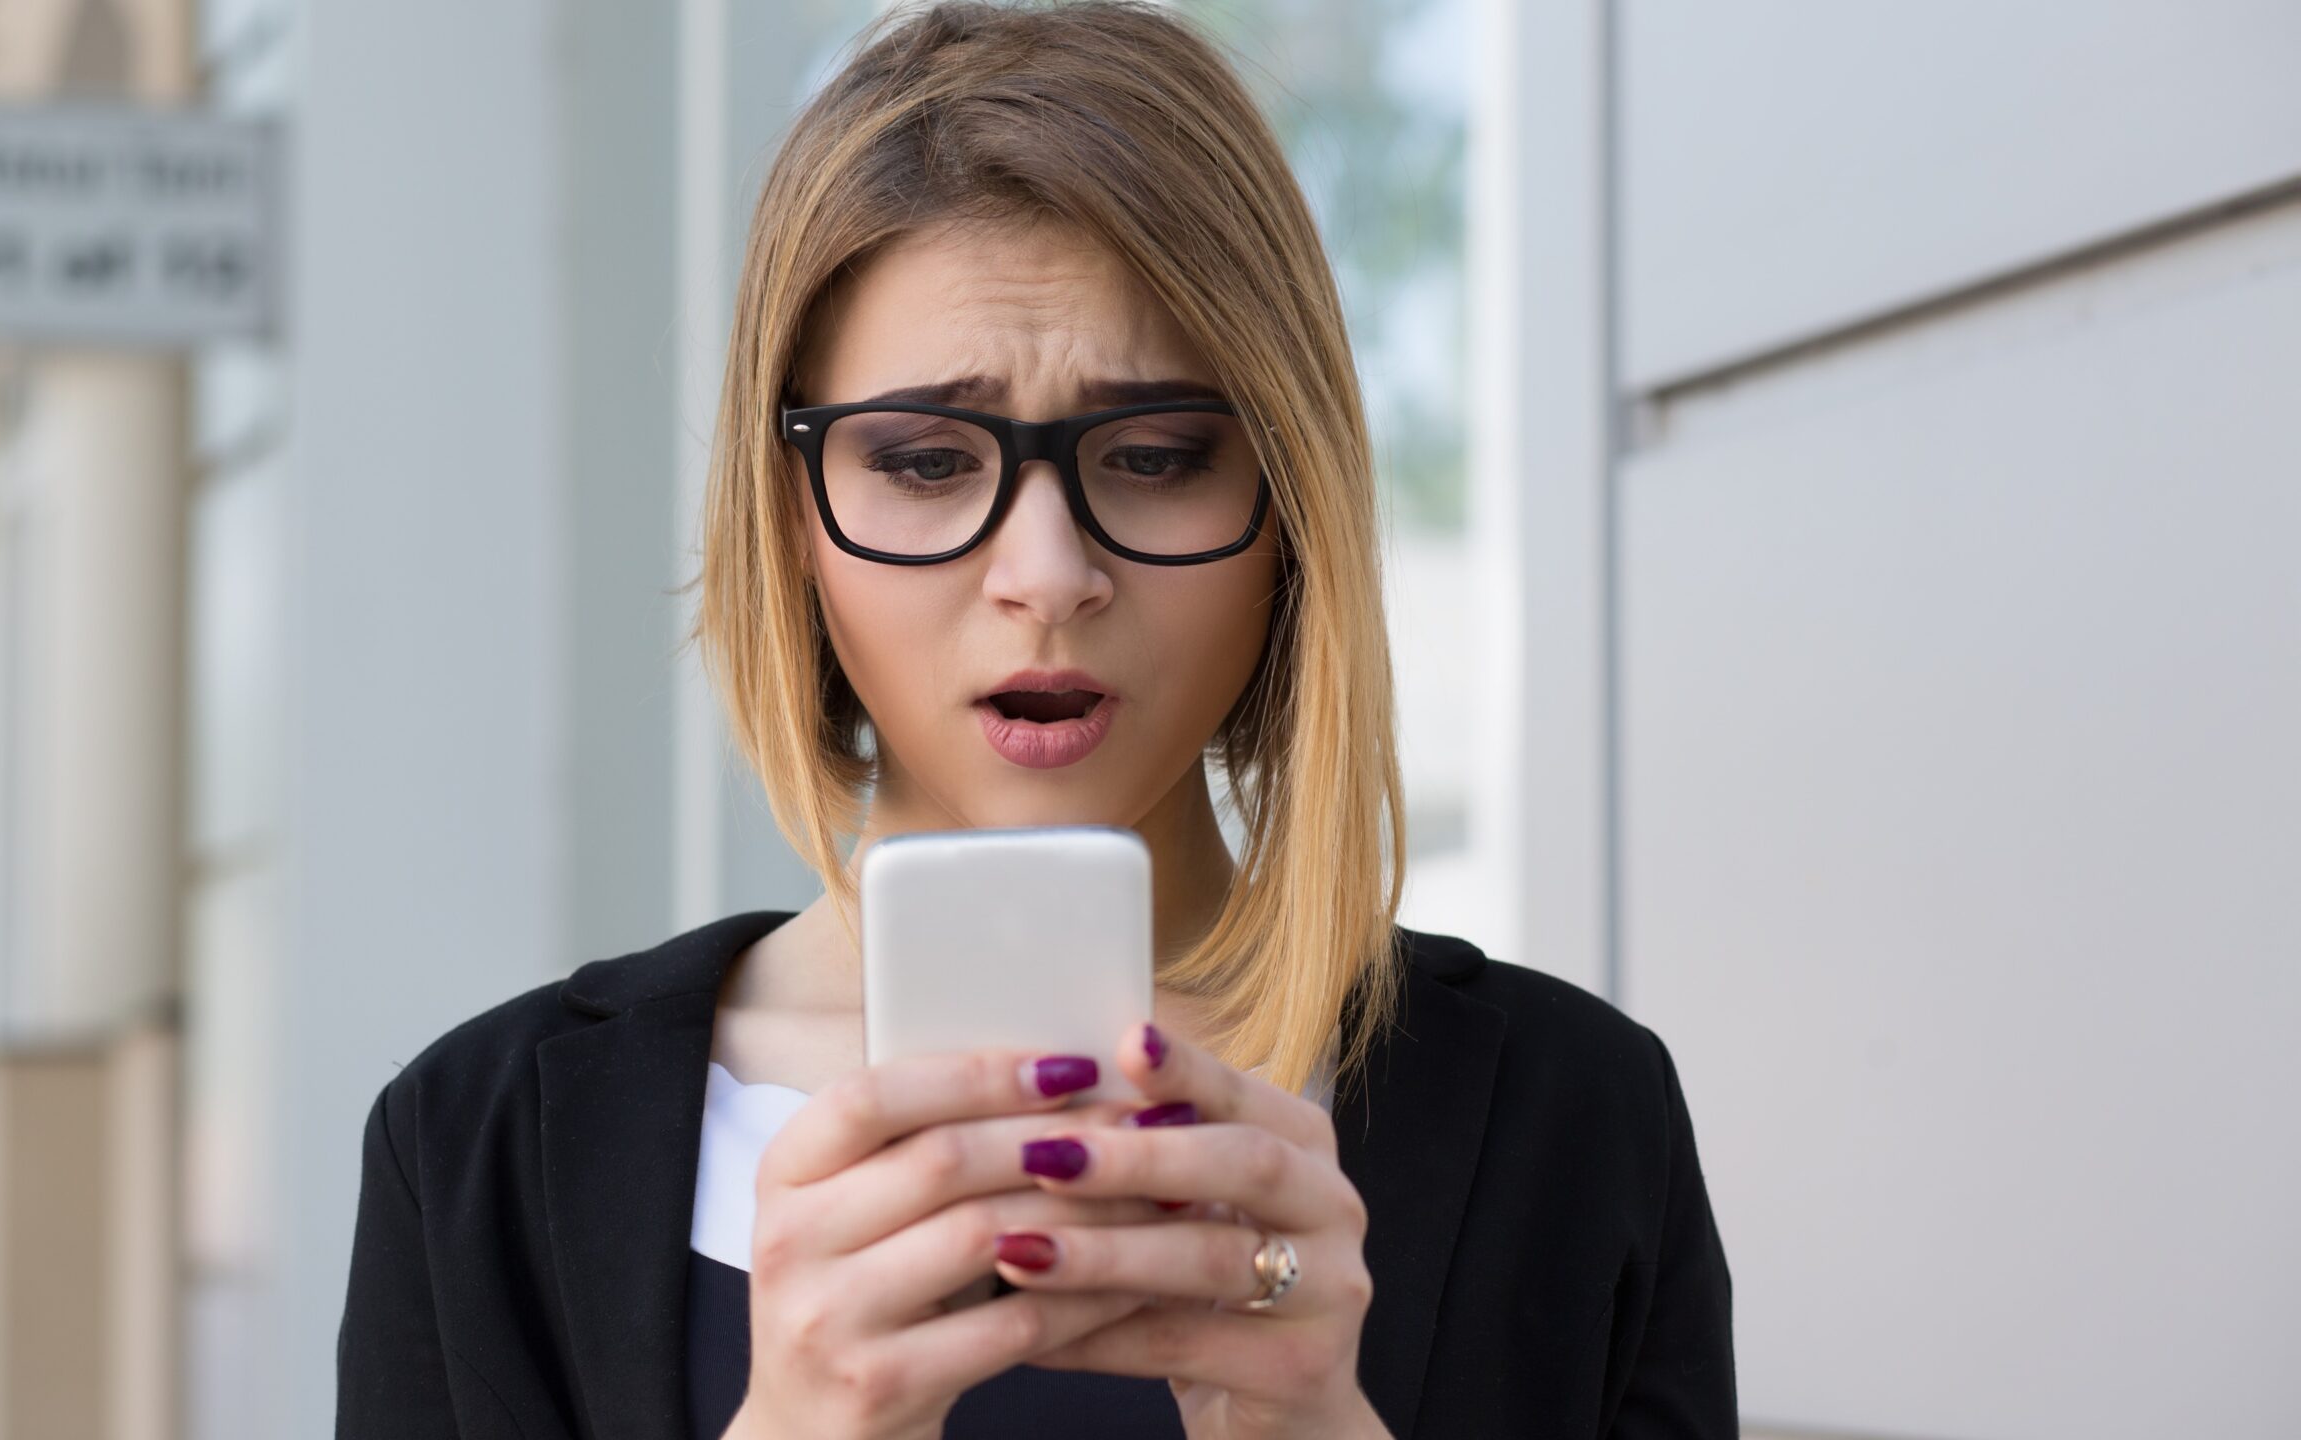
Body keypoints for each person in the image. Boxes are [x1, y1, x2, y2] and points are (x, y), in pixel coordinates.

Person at [334, 2, 1735, 1436]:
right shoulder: (485, 1148)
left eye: (1155, 455)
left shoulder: (1575, 1122)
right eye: (930, 462)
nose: (1049, 577)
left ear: (1293, 510)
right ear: (790, 520)